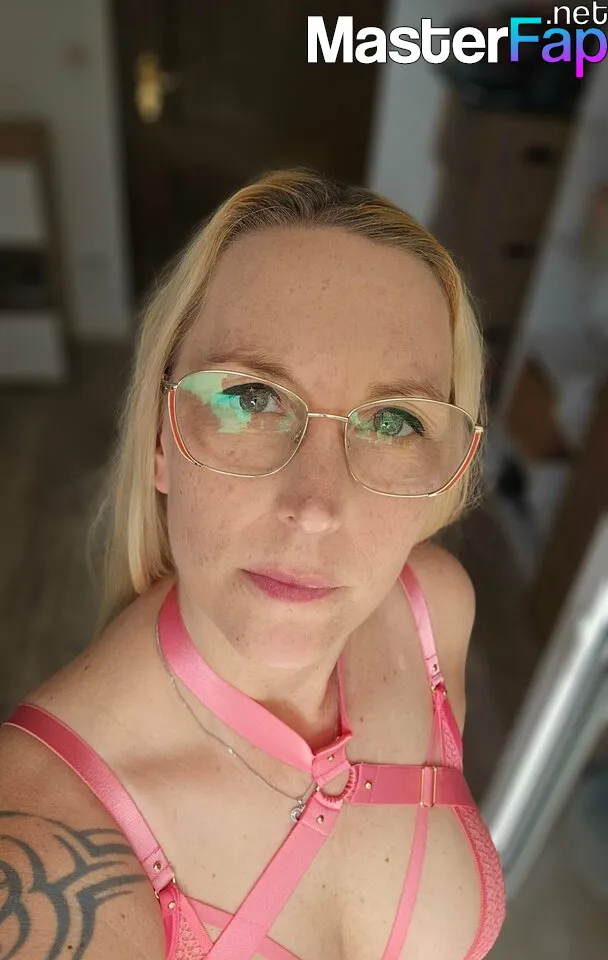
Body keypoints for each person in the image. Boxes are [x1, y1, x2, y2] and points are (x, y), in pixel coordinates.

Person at [0, 169, 506, 960]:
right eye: (251, 398)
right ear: (161, 438)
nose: (316, 507)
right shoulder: (50, 851)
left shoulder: (430, 613)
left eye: (394, 420)